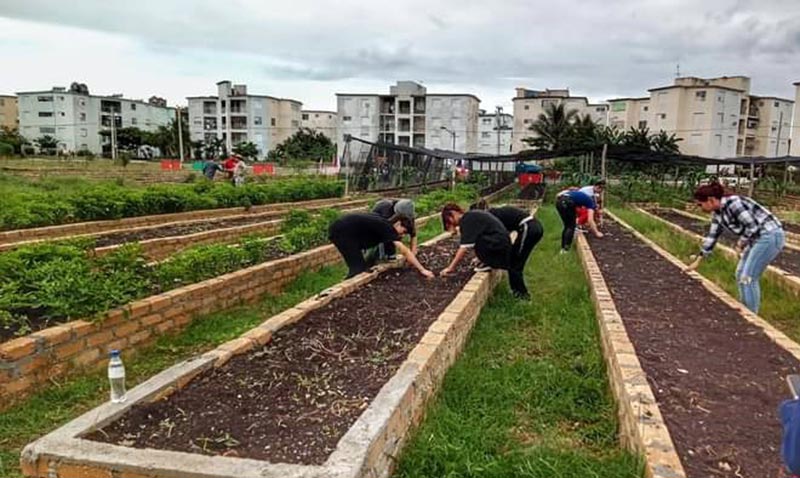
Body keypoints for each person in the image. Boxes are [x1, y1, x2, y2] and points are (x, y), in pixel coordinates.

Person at [686, 182, 785, 313]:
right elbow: (712, 236)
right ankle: (745, 309)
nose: (700, 207)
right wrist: (699, 259)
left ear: (711, 199)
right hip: (757, 238)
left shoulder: (733, 203)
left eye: (700, 204)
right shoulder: (718, 213)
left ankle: (751, 315)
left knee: (748, 277)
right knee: (740, 273)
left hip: (769, 235)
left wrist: (740, 244)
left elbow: (752, 226)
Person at [467, 199, 544, 299]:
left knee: (515, 264)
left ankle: (522, 296)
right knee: (513, 261)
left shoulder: (492, 216)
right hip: (530, 228)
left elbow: (497, 241)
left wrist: (484, 257)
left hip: (529, 228)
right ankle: (517, 292)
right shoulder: (494, 214)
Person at [328, 212, 434, 279]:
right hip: (342, 232)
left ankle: (351, 278)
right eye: (403, 231)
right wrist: (422, 270)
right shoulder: (388, 228)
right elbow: (404, 251)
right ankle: (346, 285)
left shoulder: (384, 224)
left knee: (360, 266)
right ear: (398, 223)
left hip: (344, 230)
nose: (402, 234)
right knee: (358, 268)